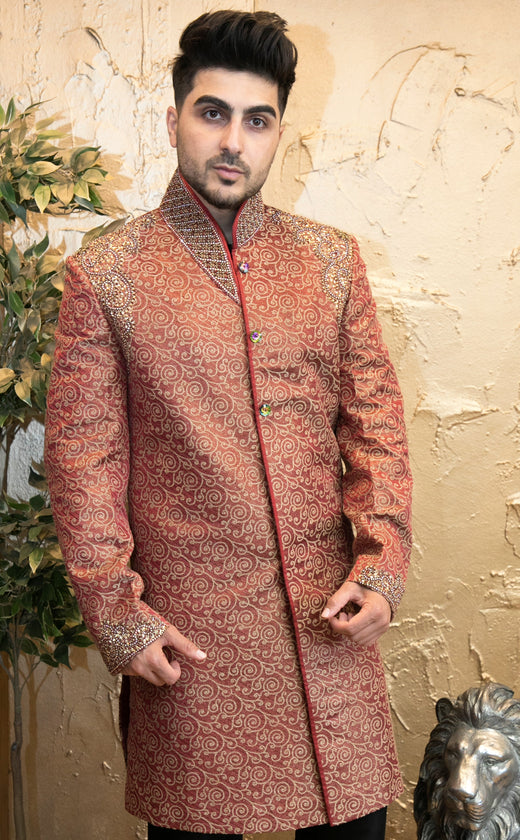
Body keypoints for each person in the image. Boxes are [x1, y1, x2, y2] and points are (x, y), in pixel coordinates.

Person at [44, 10, 412, 840]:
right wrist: (119, 617)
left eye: (258, 119)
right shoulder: (107, 277)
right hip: (192, 649)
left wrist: (383, 566)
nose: (234, 141)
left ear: (280, 129)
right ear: (174, 117)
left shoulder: (329, 261)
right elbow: (82, 465)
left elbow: (376, 425)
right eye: (213, 113)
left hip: (332, 628)